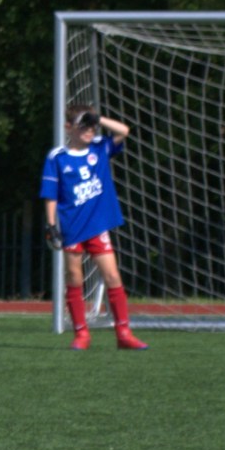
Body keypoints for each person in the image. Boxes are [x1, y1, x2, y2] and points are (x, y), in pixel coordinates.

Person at [40, 103, 148, 351]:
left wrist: (97, 118)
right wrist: (51, 225)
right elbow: (51, 195)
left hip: (97, 226)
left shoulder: (100, 148)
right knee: (74, 277)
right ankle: (81, 334)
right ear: (68, 127)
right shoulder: (57, 157)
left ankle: (123, 333)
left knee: (112, 276)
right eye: (83, 126)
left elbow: (124, 131)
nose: (89, 130)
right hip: (72, 227)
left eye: (92, 126)